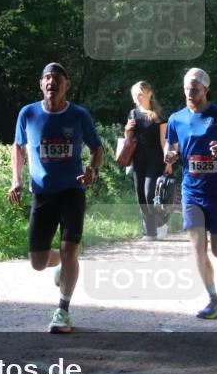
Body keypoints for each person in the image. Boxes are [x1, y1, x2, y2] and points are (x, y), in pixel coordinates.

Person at [9, 62, 104, 333]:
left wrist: (93, 170)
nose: (51, 82)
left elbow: (97, 149)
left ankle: (62, 310)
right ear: (41, 84)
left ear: (66, 85)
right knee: (37, 262)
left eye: (57, 78)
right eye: (46, 78)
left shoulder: (78, 115)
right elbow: (18, 147)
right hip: (42, 193)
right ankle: (64, 260)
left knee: (69, 248)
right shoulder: (28, 113)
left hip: (72, 191)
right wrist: (16, 180)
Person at [164, 68, 217, 319]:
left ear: (205, 90)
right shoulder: (176, 118)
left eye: (195, 90)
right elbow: (170, 146)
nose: (190, 94)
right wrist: (168, 155)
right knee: (197, 248)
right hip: (191, 190)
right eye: (186, 89)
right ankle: (214, 299)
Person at [125, 81, 172, 240]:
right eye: (135, 95)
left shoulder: (159, 116)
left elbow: (164, 142)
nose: (137, 98)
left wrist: (169, 162)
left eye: (140, 94)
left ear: (149, 94)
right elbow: (129, 140)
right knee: (140, 196)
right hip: (138, 159)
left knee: (150, 193)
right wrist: (127, 130)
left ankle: (162, 220)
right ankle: (149, 232)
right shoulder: (133, 113)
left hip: (155, 158)